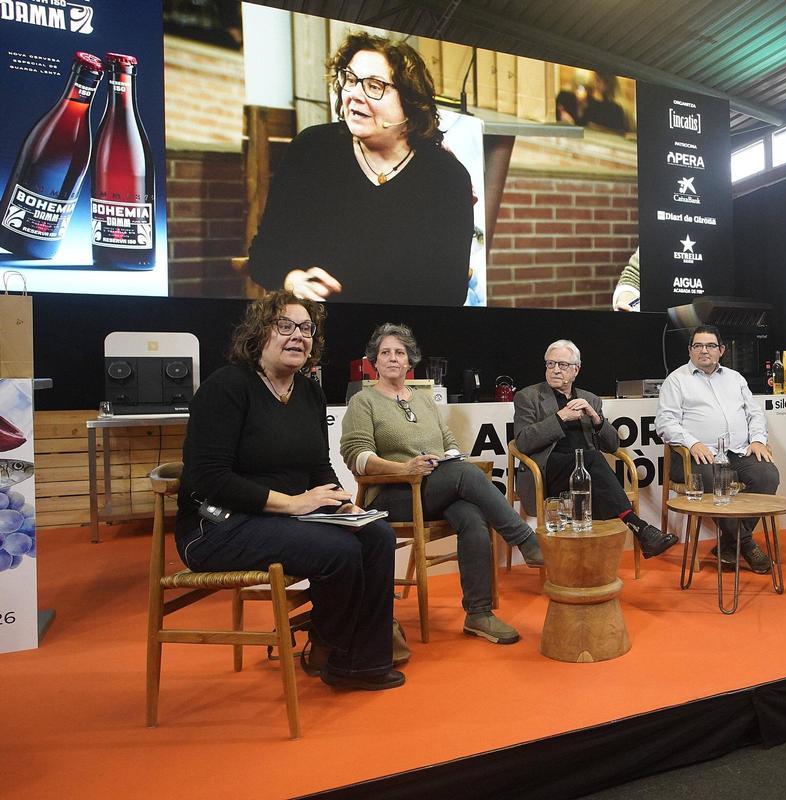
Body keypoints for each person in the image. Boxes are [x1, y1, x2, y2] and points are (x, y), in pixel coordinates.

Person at [176, 291, 403, 691]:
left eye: (306, 328)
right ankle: (331, 648)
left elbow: (318, 466)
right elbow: (209, 477)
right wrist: (293, 503)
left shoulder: (310, 392)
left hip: (287, 518)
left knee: (377, 536)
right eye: (285, 326)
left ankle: (363, 660)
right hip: (216, 525)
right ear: (259, 333)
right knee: (338, 550)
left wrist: (342, 504)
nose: (298, 335)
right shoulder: (226, 387)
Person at [340, 323, 543, 645]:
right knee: (466, 474)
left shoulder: (423, 400)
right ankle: (525, 539)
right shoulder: (363, 402)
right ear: (374, 361)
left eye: (399, 353)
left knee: (471, 515)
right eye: (385, 353)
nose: (392, 358)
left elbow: (449, 442)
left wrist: (446, 457)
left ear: (410, 361)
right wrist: (404, 467)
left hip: (431, 489)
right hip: (391, 495)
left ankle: (478, 614)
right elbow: (357, 456)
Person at [247, 31, 473, 306]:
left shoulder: (447, 178)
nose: (354, 95)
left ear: (410, 101)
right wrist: (292, 280)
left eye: (374, 86)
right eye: (351, 80)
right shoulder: (311, 149)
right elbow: (264, 253)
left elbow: (450, 292)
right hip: (317, 325)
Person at [512, 340, 677, 558]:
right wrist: (560, 418)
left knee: (591, 470)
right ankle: (638, 527)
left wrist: (596, 418)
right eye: (550, 364)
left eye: (562, 365)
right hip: (547, 473)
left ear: (576, 370)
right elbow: (523, 441)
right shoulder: (528, 397)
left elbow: (613, 445)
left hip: (586, 473)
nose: (555, 370)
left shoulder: (589, 399)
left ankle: (592, 562)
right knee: (591, 460)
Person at [655, 324, 779, 573]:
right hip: (698, 456)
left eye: (710, 345)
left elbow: (755, 413)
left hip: (737, 451)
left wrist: (757, 439)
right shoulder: (676, 380)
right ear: (690, 350)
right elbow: (665, 422)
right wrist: (692, 442)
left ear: (721, 350)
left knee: (767, 475)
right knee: (713, 480)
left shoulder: (735, 378)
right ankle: (746, 544)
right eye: (698, 345)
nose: (704, 350)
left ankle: (731, 544)